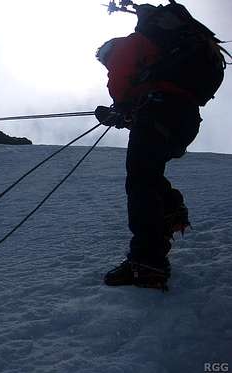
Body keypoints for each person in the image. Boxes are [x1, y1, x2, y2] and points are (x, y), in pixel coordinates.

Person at [94, 4, 227, 289]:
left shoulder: (127, 47)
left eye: (105, 61)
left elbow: (122, 86)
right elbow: (146, 104)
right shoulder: (163, 60)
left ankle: (148, 262)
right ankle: (170, 211)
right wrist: (121, 116)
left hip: (162, 111)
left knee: (141, 179)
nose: (107, 65)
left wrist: (118, 105)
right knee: (148, 173)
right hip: (185, 119)